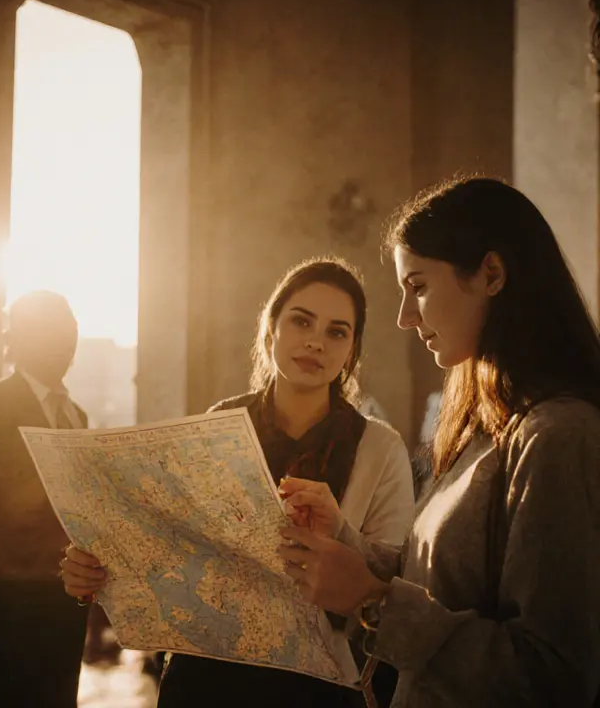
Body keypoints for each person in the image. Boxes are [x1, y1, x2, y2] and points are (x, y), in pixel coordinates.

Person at [277, 178, 600, 706]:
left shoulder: (561, 437)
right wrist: (343, 542)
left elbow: (553, 677)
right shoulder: (481, 429)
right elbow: (438, 583)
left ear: (491, 274)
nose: (405, 317)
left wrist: (371, 599)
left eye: (419, 286)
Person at [60, 257, 416, 707]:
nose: (315, 342)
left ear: (352, 350)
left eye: (336, 331)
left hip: (319, 687)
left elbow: (392, 581)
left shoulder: (380, 449)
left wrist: (337, 532)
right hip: (207, 676)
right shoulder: (218, 425)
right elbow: (173, 552)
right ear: (271, 329)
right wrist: (97, 566)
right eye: (301, 321)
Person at [0, 290, 90, 708]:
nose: (63, 340)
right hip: (4, 601)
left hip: (63, 599)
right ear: (18, 338)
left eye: (69, 330)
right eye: (50, 329)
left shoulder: (77, 415)